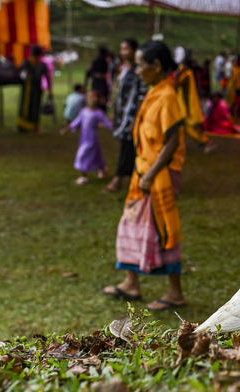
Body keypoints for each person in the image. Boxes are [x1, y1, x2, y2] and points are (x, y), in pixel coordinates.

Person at [102, 40, 187, 311]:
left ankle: (175, 293)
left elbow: (173, 141)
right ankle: (131, 282)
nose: (136, 70)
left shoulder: (168, 96)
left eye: (140, 65)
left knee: (163, 231)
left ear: (156, 66)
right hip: (144, 173)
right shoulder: (155, 91)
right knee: (131, 225)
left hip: (155, 174)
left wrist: (151, 173)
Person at [104, 38, 149, 194]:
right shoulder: (123, 69)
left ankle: (118, 178)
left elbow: (142, 95)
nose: (123, 52)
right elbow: (118, 92)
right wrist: (114, 113)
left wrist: (136, 118)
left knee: (127, 145)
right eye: (122, 49)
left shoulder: (139, 70)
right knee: (128, 146)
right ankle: (134, 175)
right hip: (122, 114)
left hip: (132, 115)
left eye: (127, 49)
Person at [60, 90, 112, 185]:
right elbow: (77, 121)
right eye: (89, 96)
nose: (92, 99)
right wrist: (67, 129)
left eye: (94, 96)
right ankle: (103, 169)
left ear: (98, 99)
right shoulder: (83, 111)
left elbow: (107, 122)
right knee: (96, 155)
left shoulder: (98, 113)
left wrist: (113, 126)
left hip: (91, 138)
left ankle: (83, 176)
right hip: (84, 137)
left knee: (82, 154)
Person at [174, 59, 216, 152]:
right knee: (194, 128)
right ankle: (204, 142)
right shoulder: (188, 74)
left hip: (188, 108)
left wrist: (177, 74)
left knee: (190, 128)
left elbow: (177, 83)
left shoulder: (187, 75)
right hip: (187, 107)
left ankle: (206, 142)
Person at [17, 45, 52, 133]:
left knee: (33, 108)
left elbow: (21, 74)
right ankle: (23, 127)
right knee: (29, 108)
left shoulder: (37, 64)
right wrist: (50, 89)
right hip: (29, 91)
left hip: (32, 91)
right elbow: (47, 77)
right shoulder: (29, 63)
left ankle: (32, 128)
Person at [85, 47, 110, 111]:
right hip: (100, 83)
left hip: (98, 82)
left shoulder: (98, 61)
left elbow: (88, 71)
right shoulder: (104, 62)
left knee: (98, 97)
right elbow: (88, 71)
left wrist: (88, 80)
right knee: (99, 97)